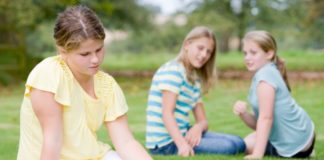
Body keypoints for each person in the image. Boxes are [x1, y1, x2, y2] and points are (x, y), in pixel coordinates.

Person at [17, 5, 152, 160]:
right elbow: (52, 141)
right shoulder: (48, 75)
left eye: (99, 49)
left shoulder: (107, 84)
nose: (95, 59)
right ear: (62, 51)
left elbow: (125, 142)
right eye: (85, 54)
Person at [145, 26, 246, 157]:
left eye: (209, 52)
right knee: (230, 147)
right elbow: (166, 114)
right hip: (166, 143)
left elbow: (203, 121)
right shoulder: (173, 71)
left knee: (239, 142)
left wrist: (197, 128)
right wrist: (182, 145)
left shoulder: (194, 78)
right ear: (187, 45)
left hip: (183, 133)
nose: (204, 55)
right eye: (200, 48)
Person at [233, 30, 315, 159]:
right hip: (305, 135)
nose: (247, 57)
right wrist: (244, 114)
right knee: (248, 139)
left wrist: (257, 155)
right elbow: (259, 123)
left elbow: (266, 119)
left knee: (245, 145)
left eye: (253, 53)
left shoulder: (265, 77)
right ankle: (308, 149)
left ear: (269, 53)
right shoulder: (266, 71)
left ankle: (300, 150)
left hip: (296, 144)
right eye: (245, 53)